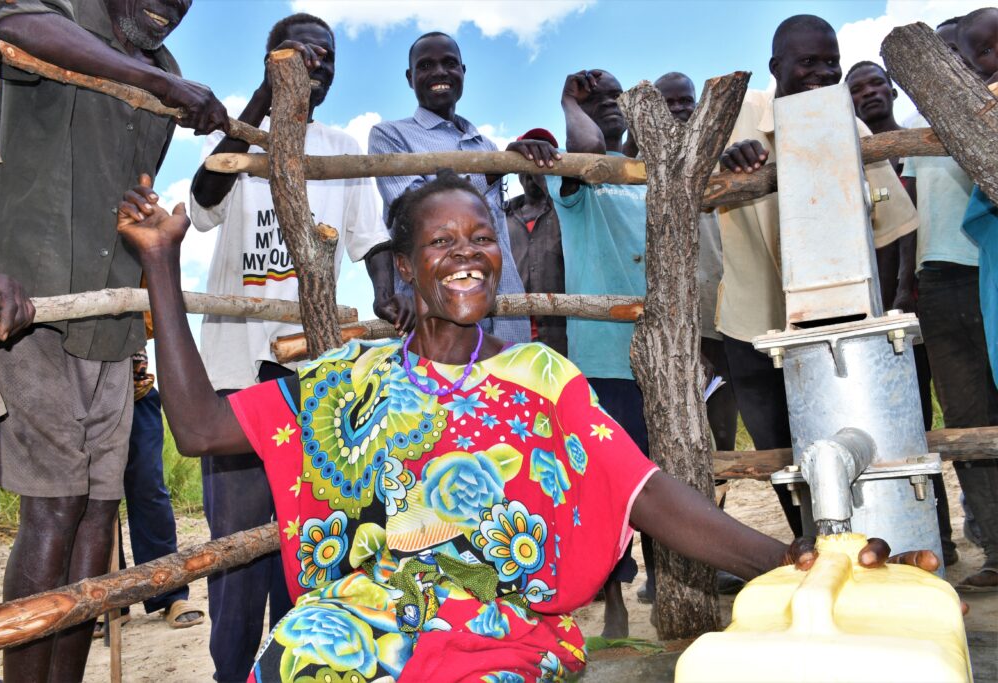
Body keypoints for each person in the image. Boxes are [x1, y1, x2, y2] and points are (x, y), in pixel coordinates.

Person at [117, 169, 937, 682]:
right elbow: (193, 425)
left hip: (500, 632)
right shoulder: (347, 381)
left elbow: (644, 493)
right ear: (405, 266)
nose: (467, 254)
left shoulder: (540, 378)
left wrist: (785, 556)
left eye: (482, 238)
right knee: (298, 658)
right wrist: (160, 262)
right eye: (441, 242)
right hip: (359, 619)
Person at [0, 0, 227, 679]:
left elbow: (118, 184)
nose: (167, 6)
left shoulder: (163, 69)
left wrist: (138, 213)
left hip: (111, 317)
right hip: (33, 301)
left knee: (97, 513)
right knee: (55, 507)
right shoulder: (57, 14)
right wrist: (159, 86)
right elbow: (9, 24)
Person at [189, 13, 403, 681]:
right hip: (235, 373)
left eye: (329, 54)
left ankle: (295, 665)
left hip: (315, 377)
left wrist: (390, 294)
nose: (319, 62)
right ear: (270, 58)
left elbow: (374, 247)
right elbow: (201, 201)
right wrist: (263, 98)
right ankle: (230, 670)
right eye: (302, 51)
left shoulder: (341, 149)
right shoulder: (241, 142)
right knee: (238, 541)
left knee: (309, 537)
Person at [717, 14, 918, 539]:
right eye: (809, 62)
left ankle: (878, 545)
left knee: (852, 436)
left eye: (832, 62)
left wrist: (892, 299)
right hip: (752, 321)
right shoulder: (736, 116)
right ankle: (809, 546)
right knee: (784, 454)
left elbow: (891, 222)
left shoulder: (847, 123)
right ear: (776, 66)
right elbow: (689, 180)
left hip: (837, 319)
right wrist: (724, 160)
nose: (824, 73)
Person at [624, 71, 742, 604]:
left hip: (721, 327)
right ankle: (666, 572)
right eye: (666, 102)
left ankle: (717, 554)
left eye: (684, 102)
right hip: (665, 338)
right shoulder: (633, 169)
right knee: (667, 450)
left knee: (712, 449)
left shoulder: (719, 167)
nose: (676, 110)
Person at [541, 68, 650, 637]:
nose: (608, 105)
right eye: (596, 98)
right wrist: (568, 100)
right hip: (605, 359)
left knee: (671, 474)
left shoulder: (649, 180)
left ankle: (666, 581)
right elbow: (588, 149)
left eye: (617, 97)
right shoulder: (581, 188)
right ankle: (614, 594)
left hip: (664, 355)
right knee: (609, 485)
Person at [368, 31, 559, 344]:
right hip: (440, 311)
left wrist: (505, 161)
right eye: (426, 65)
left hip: (504, 306)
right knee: (441, 390)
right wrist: (492, 171)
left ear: (463, 72)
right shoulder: (389, 135)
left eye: (449, 64)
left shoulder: (485, 144)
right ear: (410, 77)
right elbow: (411, 209)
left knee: (511, 389)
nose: (440, 72)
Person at [846, 61, 955, 566]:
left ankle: (963, 530)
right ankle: (936, 539)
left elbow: (910, 228)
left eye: (875, 83)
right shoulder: (852, 150)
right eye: (857, 88)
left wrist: (906, 285)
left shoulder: (922, 137)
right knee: (907, 422)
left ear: (892, 88)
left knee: (956, 415)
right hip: (887, 309)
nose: (869, 93)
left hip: (933, 289)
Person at [907, 8, 998, 592]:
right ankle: (995, 547)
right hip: (939, 280)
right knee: (966, 417)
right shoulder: (920, 128)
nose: (966, 65)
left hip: (988, 268)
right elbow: (909, 214)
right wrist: (904, 288)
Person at [97, 348, 205, 637]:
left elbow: (149, 320)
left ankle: (168, 594)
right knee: (95, 499)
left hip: (137, 393)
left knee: (149, 492)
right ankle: (110, 601)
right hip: (86, 399)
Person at [504, 127, 567, 356]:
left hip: (562, 340)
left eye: (543, 158)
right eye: (527, 160)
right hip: (511, 340)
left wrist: (547, 185)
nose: (534, 167)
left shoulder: (568, 211)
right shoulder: (501, 216)